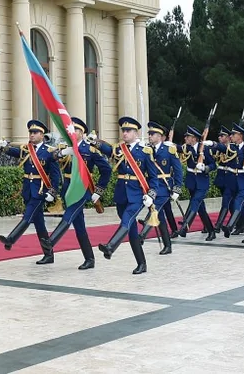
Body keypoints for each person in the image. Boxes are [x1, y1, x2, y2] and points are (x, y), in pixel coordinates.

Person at [91, 117, 159, 275]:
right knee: (132, 230)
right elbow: (107, 150)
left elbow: (154, 177)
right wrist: (94, 142)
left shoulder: (145, 151)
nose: (125, 133)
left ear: (136, 133)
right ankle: (142, 263)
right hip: (122, 193)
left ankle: (110, 246)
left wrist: (151, 194)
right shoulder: (119, 149)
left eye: (128, 131)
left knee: (127, 219)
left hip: (137, 195)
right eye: (123, 130)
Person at [0, 120, 61, 265]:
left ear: (42, 134)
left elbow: (56, 174)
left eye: (35, 133)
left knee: (28, 216)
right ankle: (49, 255)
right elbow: (15, 152)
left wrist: (53, 191)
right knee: (39, 224)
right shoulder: (27, 149)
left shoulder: (50, 151)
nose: (32, 135)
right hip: (28, 190)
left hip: (39, 192)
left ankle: (11, 239)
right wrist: (5, 148)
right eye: (30, 133)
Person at [51, 117, 110, 269]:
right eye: (71, 129)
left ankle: (51, 241)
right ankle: (89, 259)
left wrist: (99, 190)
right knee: (79, 226)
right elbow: (51, 157)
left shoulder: (89, 149)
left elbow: (106, 170)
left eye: (76, 130)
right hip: (68, 188)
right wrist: (64, 152)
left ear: (82, 133)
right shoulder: (66, 146)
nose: (73, 132)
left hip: (82, 188)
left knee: (69, 214)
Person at [137, 122, 184, 255]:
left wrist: (177, 189)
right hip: (151, 187)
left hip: (164, 187)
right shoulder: (146, 149)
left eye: (152, 134)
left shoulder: (169, 150)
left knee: (154, 209)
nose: (150, 136)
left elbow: (178, 171)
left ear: (160, 136)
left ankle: (142, 235)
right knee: (161, 218)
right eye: (149, 134)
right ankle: (167, 246)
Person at [176, 127, 217, 240]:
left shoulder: (204, 148)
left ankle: (185, 226)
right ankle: (211, 231)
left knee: (195, 201)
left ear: (194, 138)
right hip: (191, 181)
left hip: (202, 181)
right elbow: (176, 148)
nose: (185, 138)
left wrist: (205, 167)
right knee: (200, 208)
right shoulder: (186, 148)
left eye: (188, 136)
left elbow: (213, 165)